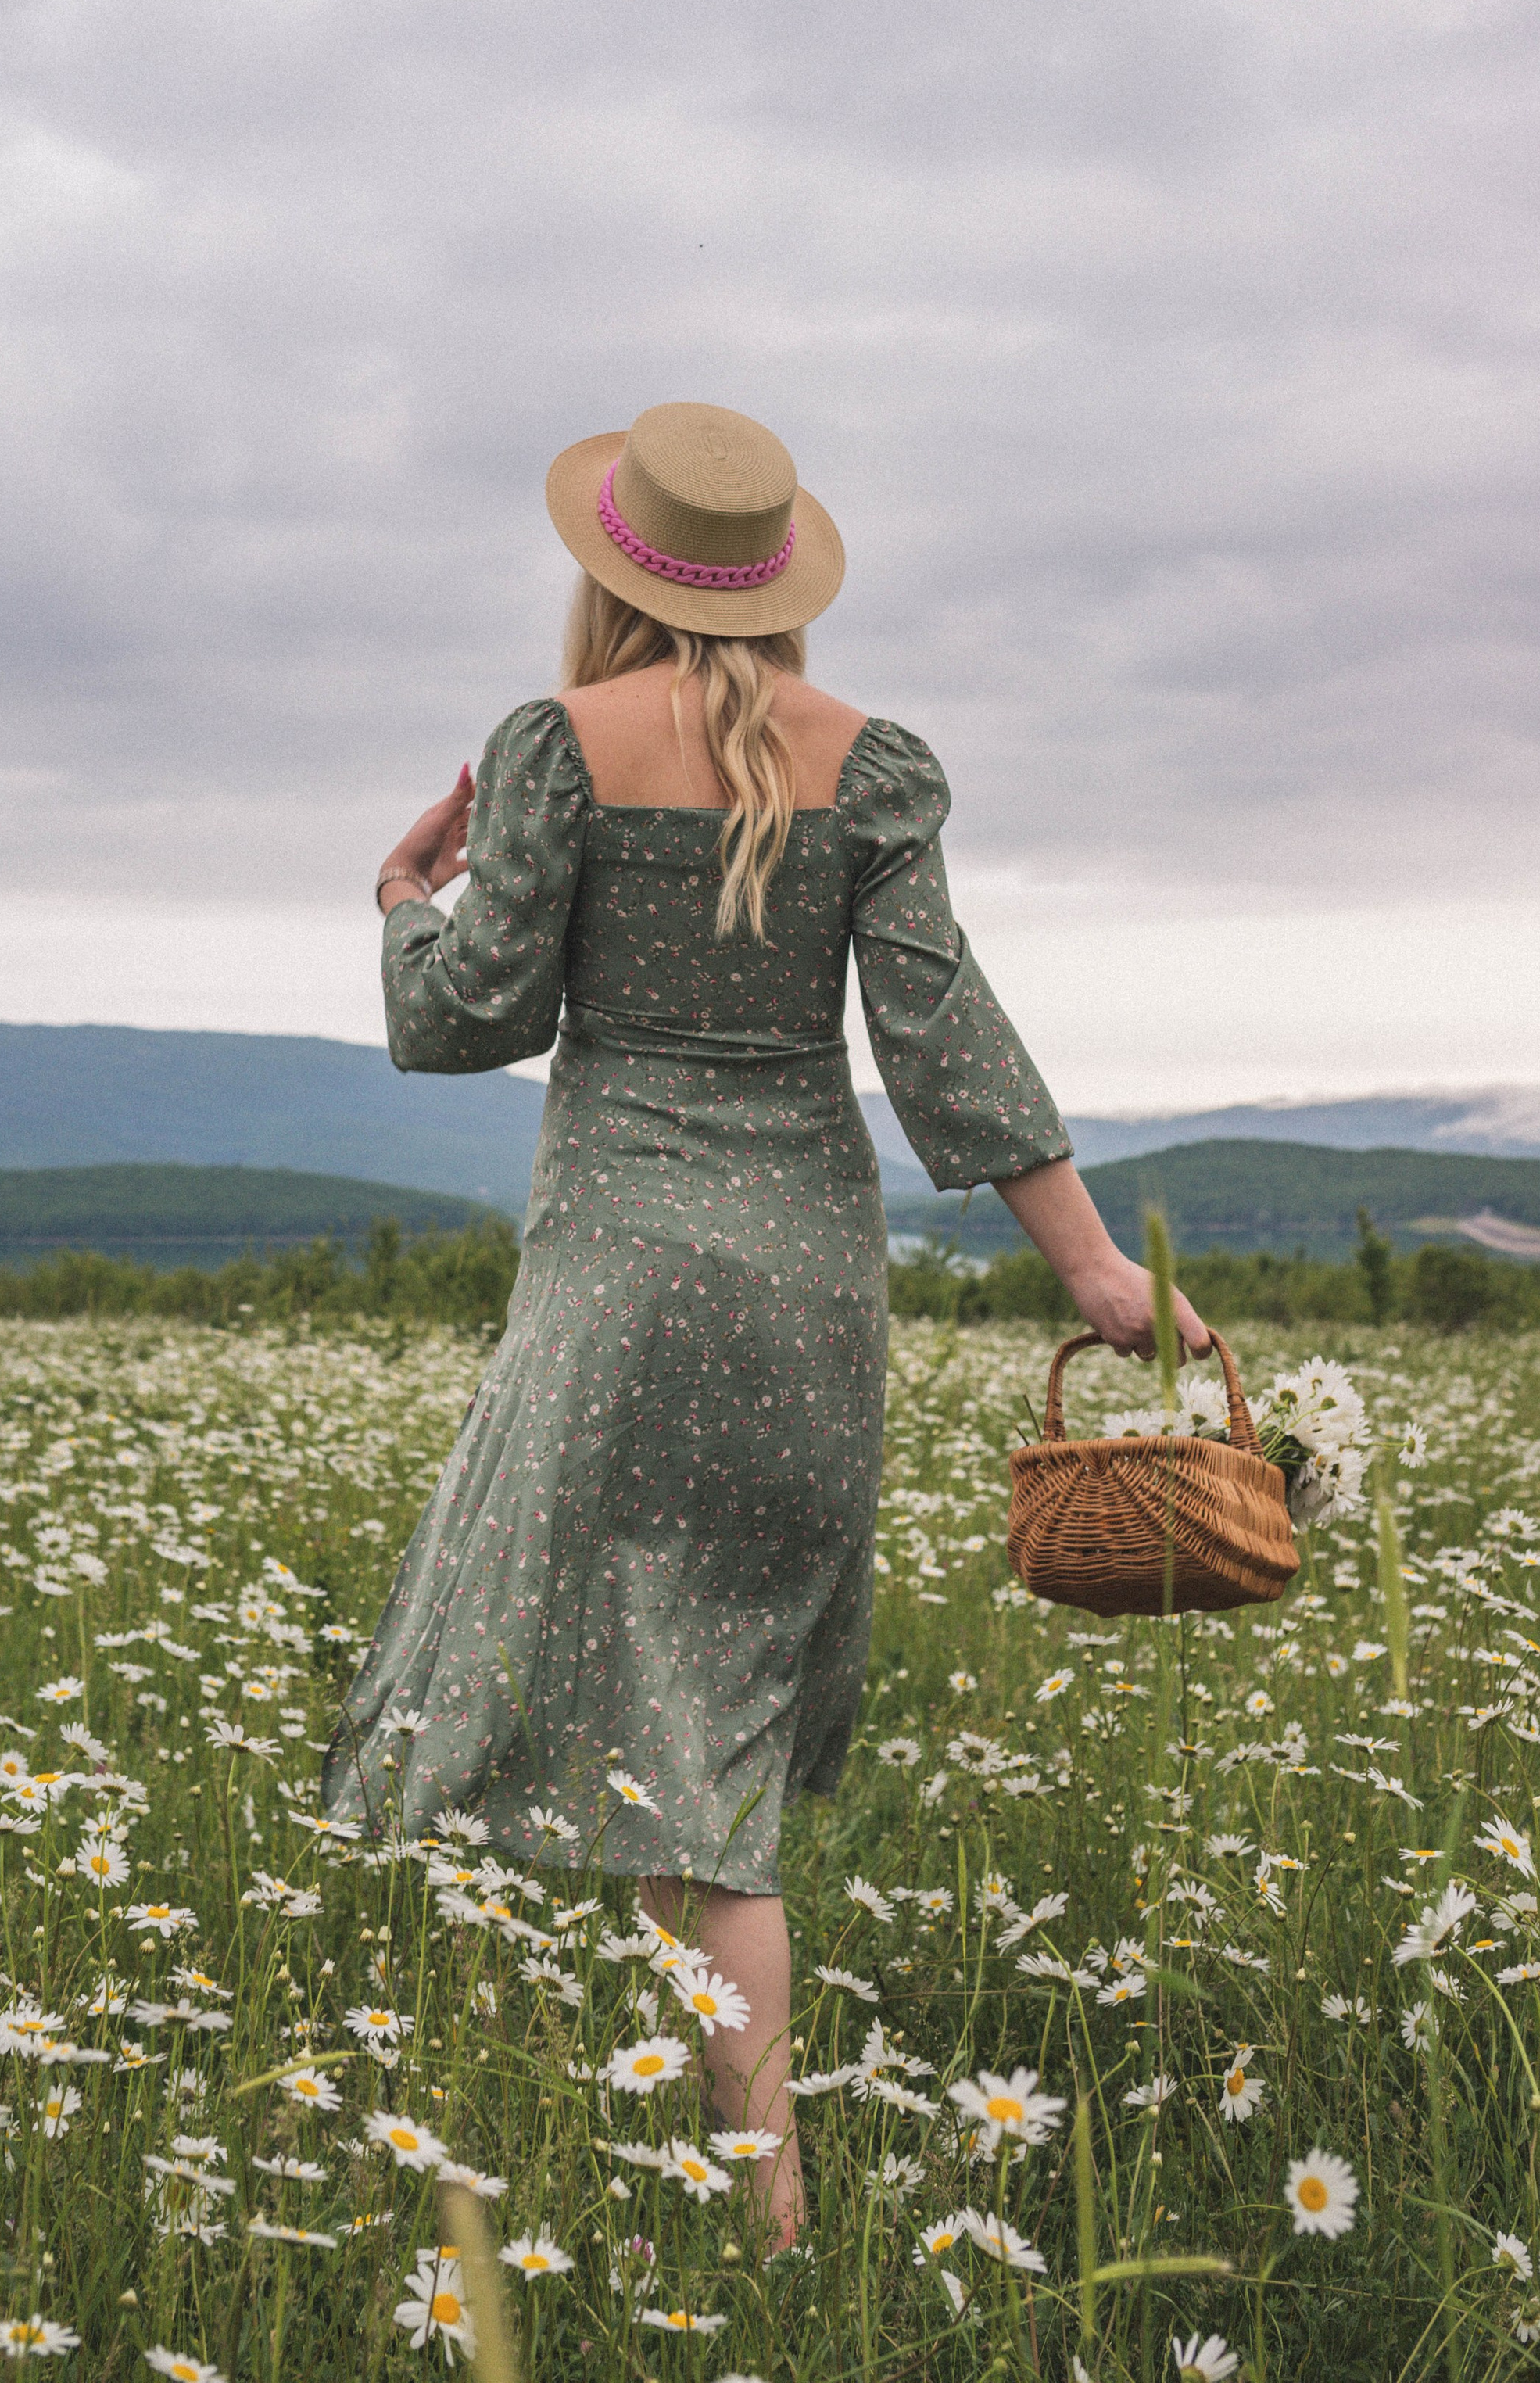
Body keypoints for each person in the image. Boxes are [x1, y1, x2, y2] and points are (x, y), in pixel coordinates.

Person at [321, 401, 1209, 2245]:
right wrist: (1097, 1273)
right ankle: (742, 2181)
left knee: (684, 1764)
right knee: (705, 1718)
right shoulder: (870, 764)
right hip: (808, 1279)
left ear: (611, 568)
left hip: (619, 1274)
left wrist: (408, 901)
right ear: (778, 580)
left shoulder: (549, 747)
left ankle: (767, 2204)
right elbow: (944, 1044)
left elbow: (465, 1018)